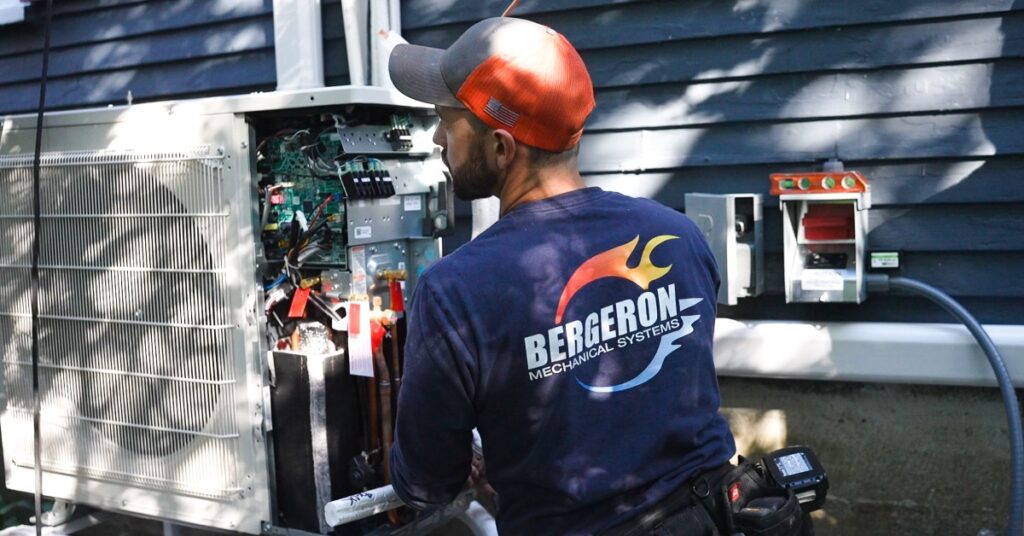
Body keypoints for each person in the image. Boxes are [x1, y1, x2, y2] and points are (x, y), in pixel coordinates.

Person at [387, 16, 736, 535]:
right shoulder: (679, 237)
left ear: (502, 148)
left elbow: (426, 483)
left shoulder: (454, 292)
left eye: (447, 118)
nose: (437, 136)